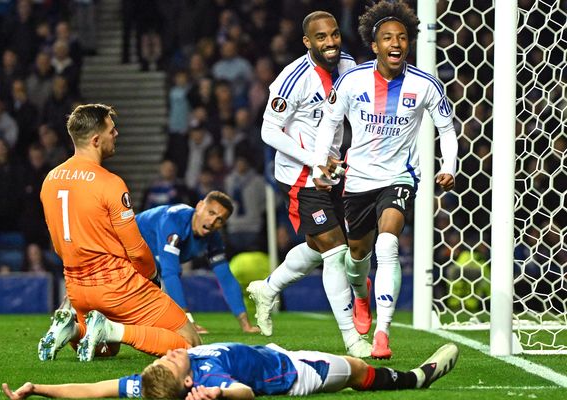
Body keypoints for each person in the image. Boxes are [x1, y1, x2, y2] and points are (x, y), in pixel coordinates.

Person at [312, 0, 459, 359]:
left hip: (400, 176)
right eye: (388, 38)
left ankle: (382, 333)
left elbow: (447, 129)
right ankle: (361, 295)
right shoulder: (351, 80)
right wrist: (321, 164)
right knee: (357, 255)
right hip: (358, 178)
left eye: (403, 38)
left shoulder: (426, 85)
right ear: (374, 45)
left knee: (388, 244)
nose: (396, 43)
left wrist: (449, 166)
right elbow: (330, 122)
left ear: (409, 43)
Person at [247, 11, 371, 357]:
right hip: (301, 176)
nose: (330, 43)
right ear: (307, 42)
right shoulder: (292, 79)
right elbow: (268, 130)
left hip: (332, 172)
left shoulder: (347, 66)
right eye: (321, 37)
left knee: (320, 248)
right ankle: (352, 339)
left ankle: (268, 288)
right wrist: (312, 159)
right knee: (336, 252)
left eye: (333, 35)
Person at [38, 104, 201, 362]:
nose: (116, 135)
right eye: (111, 130)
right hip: (117, 286)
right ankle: (111, 327)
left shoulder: (50, 180)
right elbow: (136, 249)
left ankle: (72, 329)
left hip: (76, 288)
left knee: (104, 350)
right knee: (191, 343)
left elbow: (58, 245)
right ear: (95, 139)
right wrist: (152, 277)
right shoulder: (110, 184)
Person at [1, 342, 459, 399]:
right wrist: (221, 397)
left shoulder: (150, 385)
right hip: (294, 373)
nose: (162, 356)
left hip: (270, 352)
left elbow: (98, 389)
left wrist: (39, 386)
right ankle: (416, 379)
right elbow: (242, 393)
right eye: (167, 360)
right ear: (187, 382)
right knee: (358, 370)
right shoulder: (207, 382)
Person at [135, 191, 260, 334]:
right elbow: (170, 272)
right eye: (211, 213)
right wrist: (188, 323)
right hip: (119, 248)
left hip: (148, 262)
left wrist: (245, 324)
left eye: (220, 219)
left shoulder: (213, 238)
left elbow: (226, 278)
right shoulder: (174, 221)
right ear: (199, 206)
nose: (212, 222)